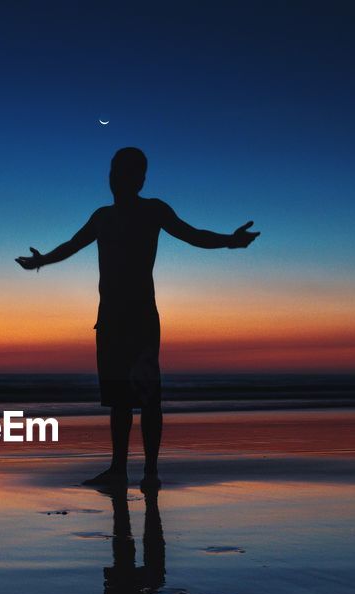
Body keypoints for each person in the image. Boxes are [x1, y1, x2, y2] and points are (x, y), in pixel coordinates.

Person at [15, 147, 258, 490]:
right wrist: (43, 261)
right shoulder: (102, 216)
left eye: (126, 171)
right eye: (114, 170)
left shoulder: (153, 210)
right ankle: (118, 469)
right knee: (118, 400)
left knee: (148, 398)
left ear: (140, 178)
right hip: (109, 320)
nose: (116, 177)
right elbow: (72, 245)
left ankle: (150, 472)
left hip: (141, 318)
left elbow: (193, 235)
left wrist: (230, 242)